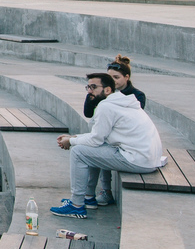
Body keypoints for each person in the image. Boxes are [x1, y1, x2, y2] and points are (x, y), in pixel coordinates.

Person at [50, 72, 167, 218]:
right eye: (88, 87)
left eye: (93, 87)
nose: (89, 91)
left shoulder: (106, 107)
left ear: (107, 90)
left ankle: (76, 205)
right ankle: (88, 198)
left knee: (78, 152)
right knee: (87, 149)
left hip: (138, 160)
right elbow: (99, 138)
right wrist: (73, 137)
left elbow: (96, 140)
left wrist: (71, 141)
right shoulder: (120, 102)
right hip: (145, 157)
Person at [80, 56, 147, 204]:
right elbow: (88, 113)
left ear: (127, 77)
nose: (113, 80)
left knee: (97, 146)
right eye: (109, 77)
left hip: (127, 141)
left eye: (116, 77)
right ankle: (94, 192)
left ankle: (101, 192)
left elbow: (131, 121)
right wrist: (91, 94)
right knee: (97, 145)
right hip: (111, 136)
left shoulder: (137, 95)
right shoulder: (105, 92)